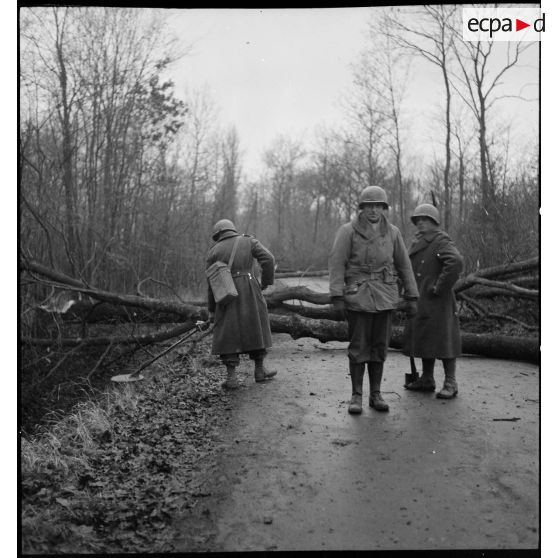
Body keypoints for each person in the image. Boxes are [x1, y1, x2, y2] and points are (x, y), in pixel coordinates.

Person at [329, 186, 419, 414]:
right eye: (369, 206)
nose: (373, 210)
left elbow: (404, 265)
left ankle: (375, 394)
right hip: (358, 295)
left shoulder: (393, 232)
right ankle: (356, 395)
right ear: (362, 208)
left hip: (386, 295)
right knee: (359, 346)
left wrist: (412, 296)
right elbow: (337, 263)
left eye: (378, 206)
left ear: (384, 208)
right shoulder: (347, 231)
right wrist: (337, 295)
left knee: (380, 346)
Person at [206, 219, 277, 389]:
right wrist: (265, 282)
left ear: (218, 235)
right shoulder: (248, 241)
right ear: (233, 230)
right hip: (250, 289)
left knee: (228, 331)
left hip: (225, 293)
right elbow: (269, 259)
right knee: (256, 325)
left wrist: (212, 310)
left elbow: (211, 283)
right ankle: (260, 370)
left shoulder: (213, 252)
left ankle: (231, 378)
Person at [403, 204, 463, 399]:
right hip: (421, 297)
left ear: (434, 222)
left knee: (445, 339)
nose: (420, 223)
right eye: (417, 220)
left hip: (438, 300)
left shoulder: (440, 241)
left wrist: (439, 287)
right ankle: (427, 378)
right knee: (423, 337)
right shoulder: (418, 242)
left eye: (424, 219)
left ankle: (450, 382)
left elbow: (455, 262)